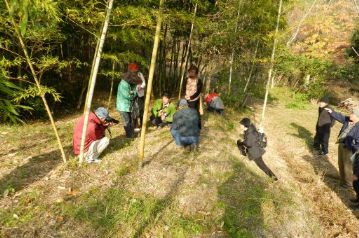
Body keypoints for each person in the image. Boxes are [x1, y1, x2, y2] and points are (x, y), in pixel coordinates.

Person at [325, 107, 359, 187]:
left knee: (348, 166)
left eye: (352, 114)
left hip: (350, 148)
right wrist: (331, 112)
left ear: (357, 117)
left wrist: (353, 147)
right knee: (341, 163)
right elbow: (340, 117)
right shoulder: (348, 120)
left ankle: (348, 183)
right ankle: (342, 177)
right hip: (342, 144)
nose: (350, 115)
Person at [116, 63, 141, 138]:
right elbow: (128, 96)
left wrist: (134, 91)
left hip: (128, 105)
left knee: (130, 120)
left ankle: (131, 133)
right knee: (126, 121)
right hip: (123, 106)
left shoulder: (130, 82)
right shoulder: (123, 84)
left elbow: (134, 91)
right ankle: (129, 135)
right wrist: (134, 93)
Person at [134, 65, 146, 132]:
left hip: (141, 94)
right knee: (135, 110)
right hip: (134, 95)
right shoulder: (130, 76)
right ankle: (135, 125)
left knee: (141, 109)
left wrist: (141, 87)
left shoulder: (140, 74)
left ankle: (142, 124)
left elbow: (144, 83)